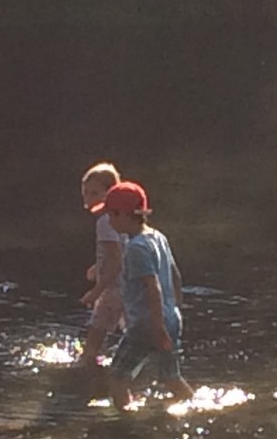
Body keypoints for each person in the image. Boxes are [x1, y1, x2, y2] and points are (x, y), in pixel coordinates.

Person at [95, 181, 196, 410]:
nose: (109, 221)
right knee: (171, 377)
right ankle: (193, 405)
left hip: (147, 325)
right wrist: (175, 309)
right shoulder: (158, 237)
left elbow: (153, 287)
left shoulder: (136, 248)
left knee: (118, 377)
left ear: (124, 215)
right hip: (171, 318)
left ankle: (125, 420)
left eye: (111, 215)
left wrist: (158, 328)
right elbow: (175, 275)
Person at [78, 162, 126, 370]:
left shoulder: (105, 222)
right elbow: (118, 250)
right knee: (133, 332)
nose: (89, 199)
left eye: (95, 193)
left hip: (113, 287)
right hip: (129, 285)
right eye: (86, 194)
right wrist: (97, 265)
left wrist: (96, 291)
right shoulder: (121, 218)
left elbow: (116, 259)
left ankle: (86, 370)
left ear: (110, 193)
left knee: (95, 334)